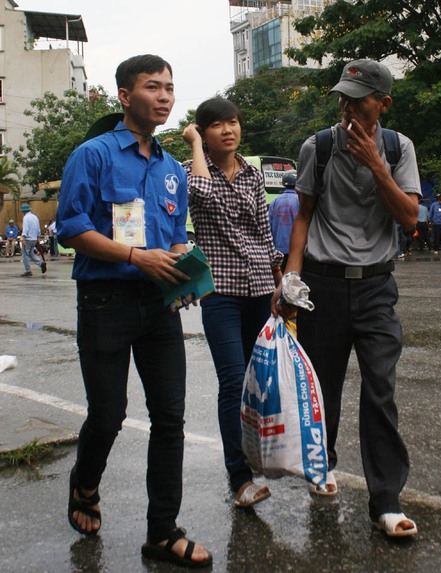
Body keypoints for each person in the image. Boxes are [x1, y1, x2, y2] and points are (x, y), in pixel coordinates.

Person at [56, 54, 212, 568]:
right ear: (125, 96)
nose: (165, 96)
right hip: (106, 301)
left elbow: (171, 243)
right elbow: (71, 228)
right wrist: (132, 256)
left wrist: (182, 275)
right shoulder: (93, 155)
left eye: (170, 87)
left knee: (170, 417)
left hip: (158, 308)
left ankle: (163, 531)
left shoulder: (172, 170)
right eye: (153, 87)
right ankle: (85, 483)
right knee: (109, 414)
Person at [273, 59, 421, 538]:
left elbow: (410, 217)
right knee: (324, 388)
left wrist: (377, 165)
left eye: (358, 100)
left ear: (383, 104)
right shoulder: (317, 146)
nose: (348, 107)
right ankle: (323, 465)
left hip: (377, 285)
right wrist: (290, 279)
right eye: (343, 97)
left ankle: (387, 501)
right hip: (324, 282)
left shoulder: (399, 149)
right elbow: (304, 215)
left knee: (381, 389)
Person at [182, 97, 282, 509]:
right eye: (218, 125)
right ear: (204, 133)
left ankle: (260, 458)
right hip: (220, 291)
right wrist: (192, 146)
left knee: (258, 382)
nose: (229, 130)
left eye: (234, 122)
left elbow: (264, 230)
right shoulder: (189, 172)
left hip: (259, 286)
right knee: (232, 381)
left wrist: (280, 282)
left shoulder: (253, 175)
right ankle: (239, 476)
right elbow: (206, 197)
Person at [269, 170, 299, 271]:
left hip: (277, 250)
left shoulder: (274, 201)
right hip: (295, 252)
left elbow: (268, 226)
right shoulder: (300, 201)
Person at [19, 204, 46, 277]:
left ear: (23, 211)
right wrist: (38, 236)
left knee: (25, 255)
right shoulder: (35, 217)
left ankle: (28, 271)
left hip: (28, 238)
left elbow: (25, 228)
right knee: (31, 253)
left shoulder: (26, 218)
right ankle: (41, 263)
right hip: (34, 238)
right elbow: (38, 228)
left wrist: (23, 238)